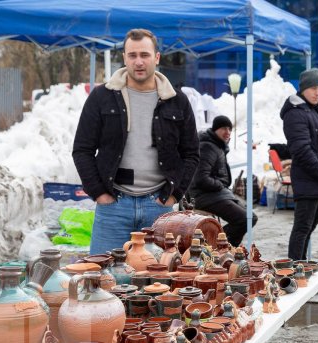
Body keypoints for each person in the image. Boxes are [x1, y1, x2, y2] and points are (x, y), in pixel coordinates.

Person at [73, 29, 200, 254]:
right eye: (132, 55)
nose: (138, 62)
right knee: (103, 280)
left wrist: (173, 195)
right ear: (124, 58)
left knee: (158, 282)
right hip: (113, 207)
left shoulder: (177, 101)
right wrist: (100, 194)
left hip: (159, 208)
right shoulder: (102, 97)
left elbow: (191, 153)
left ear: (157, 58)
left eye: (145, 55)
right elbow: (82, 150)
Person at [280, 68, 318, 260]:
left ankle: (300, 266)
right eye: (313, 88)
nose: (317, 92)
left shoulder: (313, 111)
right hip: (307, 178)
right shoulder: (295, 113)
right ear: (303, 89)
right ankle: (294, 270)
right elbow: (301, 150)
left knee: (310, 227)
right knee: (302, 228)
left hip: (317, 179)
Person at [187, 115, 257, 246]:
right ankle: (217, 246)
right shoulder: (207, 147)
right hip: (205, 196)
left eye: (230, 129)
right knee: (246, 219)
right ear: (215, 129)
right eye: (224, 128)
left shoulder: (217, 146)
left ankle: (220, 247)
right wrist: (220, 185)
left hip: (216, 195)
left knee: (250, 217)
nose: (228, 132)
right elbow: (200, 179)